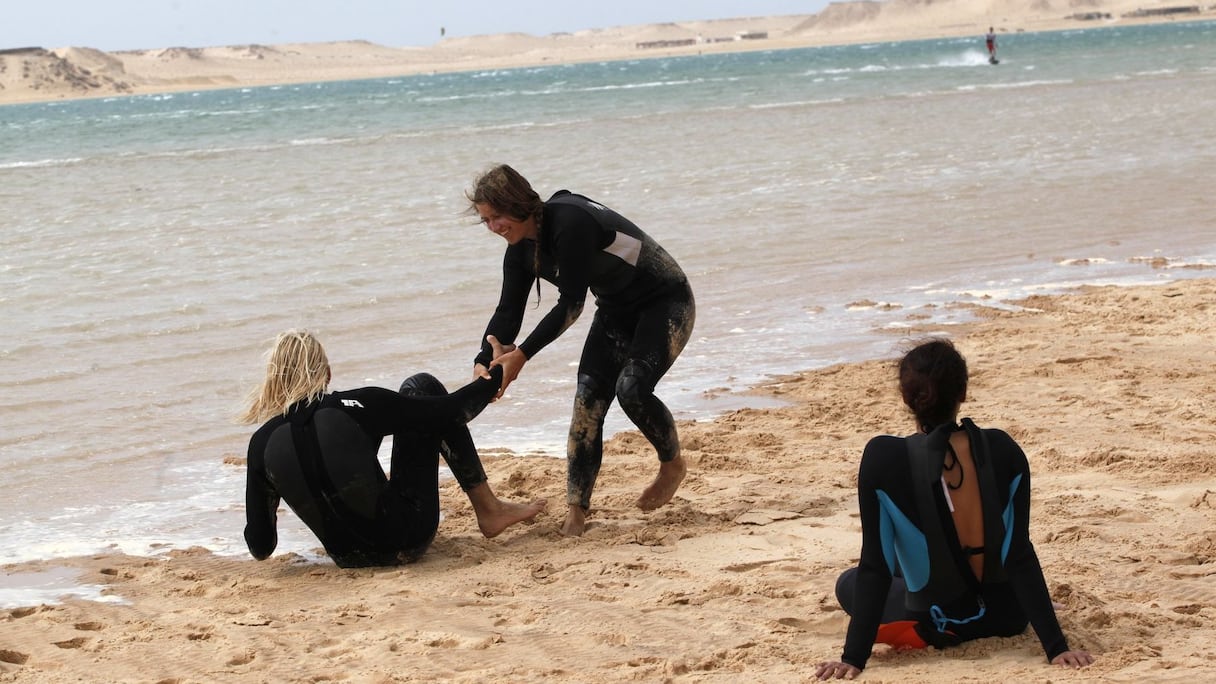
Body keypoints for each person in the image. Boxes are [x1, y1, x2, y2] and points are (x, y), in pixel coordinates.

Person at [815, 339, 1093, 679]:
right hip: (1009, 616)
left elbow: (876, 566)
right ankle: (1038, 603)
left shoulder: (883, 458)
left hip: (939, 621)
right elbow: (1018, 554)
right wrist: (1056, 646)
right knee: (926, 558)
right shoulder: (1003, 448)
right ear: (962, 392)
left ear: (907, 398)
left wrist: (853, 657)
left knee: (849, 582)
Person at [467, 164, 695, 537]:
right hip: (616, 311)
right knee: (587, 403)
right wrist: (485, 358)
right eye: (486, 221)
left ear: (519, 203)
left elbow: (571, 305)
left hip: (665, 301)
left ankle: (672, 463)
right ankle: (576, 510)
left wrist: (521, 355)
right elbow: (507, 312)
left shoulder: (569, 222)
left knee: (632, 390)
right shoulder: (520, 250)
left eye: (497, 216)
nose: (493, 228)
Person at [239, 330, 546, 568]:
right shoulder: (358, 405)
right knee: (422, 388)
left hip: (348, 560)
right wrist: (497, 374)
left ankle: (490, 511)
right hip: (408, 540)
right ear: (327, 373)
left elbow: (261, 547)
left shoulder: (260, 443)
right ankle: (490, 511)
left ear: (273, 382)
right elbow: (452, 411)